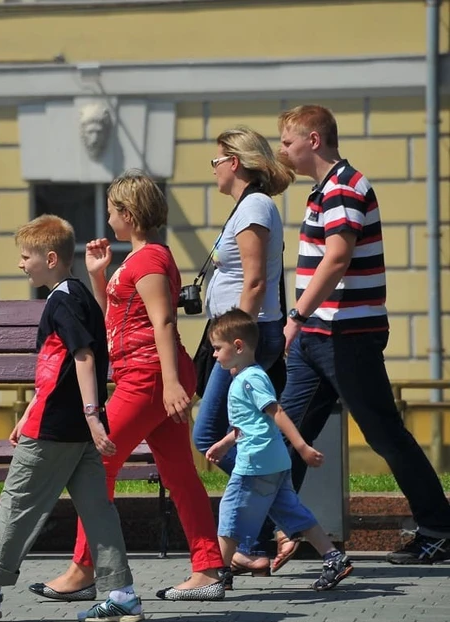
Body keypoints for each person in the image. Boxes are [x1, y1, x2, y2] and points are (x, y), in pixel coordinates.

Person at [0, 214, 143, 622]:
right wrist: (34, 411)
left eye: (25, 256)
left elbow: (84, 357)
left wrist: (92, 415)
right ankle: (121, 593)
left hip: (56, 429)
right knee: (97, 509)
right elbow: (59, 367)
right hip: (72, 428)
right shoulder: (78, 293)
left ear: (50, 258)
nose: (20, 263)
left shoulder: (61, 301)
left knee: (17, 503)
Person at [30, 171, 226, 603]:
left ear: (129, 214)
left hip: (149, 379)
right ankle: (208, 567)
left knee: (94, 466)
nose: (108, 218)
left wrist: (172, 383)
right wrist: (100, 278)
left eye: (112, 211)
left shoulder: (150, 260)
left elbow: (164, 321)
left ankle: (85, 569)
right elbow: (112, 321)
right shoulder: (138, 259)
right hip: (148, 378)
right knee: (179, 474)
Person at [277, 104, 450, 565]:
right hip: (319, 336)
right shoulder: (322, 190)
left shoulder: (346, 186)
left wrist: (294, 315)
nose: (282, 150)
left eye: (288, 142)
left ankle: (438, 528)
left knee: (384, 433)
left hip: (346, 334)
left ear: (314, 140)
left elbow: (337, 258)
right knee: (287, 435)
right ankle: (268, 537)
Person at [190, 126, 295, 575]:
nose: (213, 169)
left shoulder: (254, 206)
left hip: (245, 339)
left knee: (207, 434)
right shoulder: (248, 207)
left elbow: (254, 281)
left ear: (235, 162)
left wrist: (237, 343)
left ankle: (285, 518)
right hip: (239, 337)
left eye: (216, 161)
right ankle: (260, 538)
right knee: (242, 436)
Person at [205, 308, 353, 591]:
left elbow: (277, 413)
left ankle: (216, 575)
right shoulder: (248, 376)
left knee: (230, 511)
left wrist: (302, 447)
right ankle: (334, 558)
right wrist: (225, 443)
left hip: (256, 462)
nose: (214, 354)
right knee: (291, 511)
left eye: (217, 348)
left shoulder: (250, 379)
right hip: (273, 461)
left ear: (238, 346)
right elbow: (249, 422)